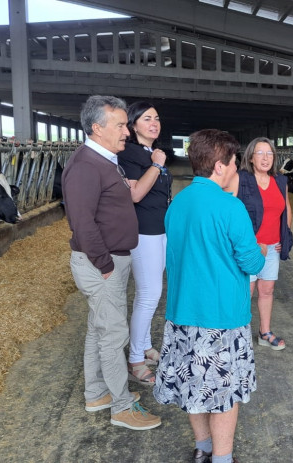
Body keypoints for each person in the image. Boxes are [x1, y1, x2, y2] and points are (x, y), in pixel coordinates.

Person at [153, 129, 266, 463]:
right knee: (223, 393)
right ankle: (222, 458)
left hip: (182, 312)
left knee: (194, 386)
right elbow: (251, 261)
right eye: (233, 162)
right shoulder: (231, 208)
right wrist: (260, 250)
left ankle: (202, 449)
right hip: (221, 317)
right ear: (220, 165)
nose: (236, 168)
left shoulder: (179, 202)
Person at [62, 95, 161, 430]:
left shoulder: (106, 161)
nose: (126, 132)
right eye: (119, 125)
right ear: (96, 128)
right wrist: (104, 265)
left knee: (98, 329)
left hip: (111, 260)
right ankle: (121, 407)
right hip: (101, 263)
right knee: (114, 333)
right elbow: (82, 223)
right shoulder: (86, 166)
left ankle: (96, 392)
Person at [117, 101, 172, 385]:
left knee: (150, 293)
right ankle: (135, 358)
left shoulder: (152, 152)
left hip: (160, 229)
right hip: (143, 232)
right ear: (133, 124)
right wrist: (156, 165)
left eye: (157, 118)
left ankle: (147, 345)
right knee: (149, 294)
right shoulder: (128, 154)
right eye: (147, 118)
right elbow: (135, 193)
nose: (154, 123)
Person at [228, 137, 293, 350]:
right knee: (246, 290)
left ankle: (264, 332)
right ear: (251, 157)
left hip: (273, 247)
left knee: (267, 289)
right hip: (250, 248)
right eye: (260, 153)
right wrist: (248, 244)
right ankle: (238, 333)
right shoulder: (240, 178)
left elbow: (287, 211)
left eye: (269, 154)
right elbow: (230, 212)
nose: (265, 158)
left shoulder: (280, 181)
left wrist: (285, 237)